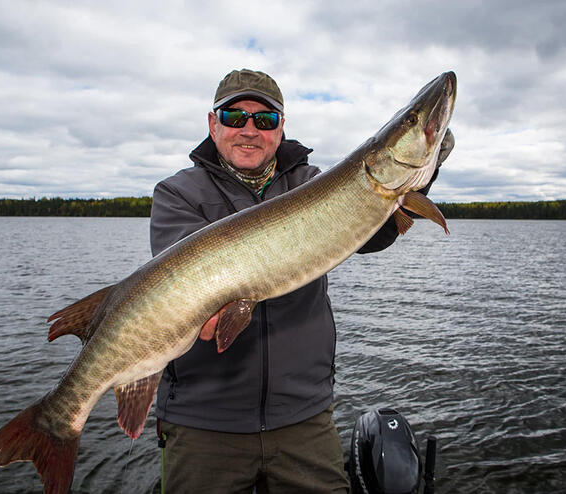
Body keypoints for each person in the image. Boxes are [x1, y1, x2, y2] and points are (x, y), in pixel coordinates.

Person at [149, 69, 454, 493]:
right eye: (235, 117)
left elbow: (376, 233)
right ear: (212, 123)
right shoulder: (177, 193)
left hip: (303, 418)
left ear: (281, 127)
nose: (250, 130)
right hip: (205, 423)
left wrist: (424, 168)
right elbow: (178, 285)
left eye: (266, 119)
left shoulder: (311, 182)